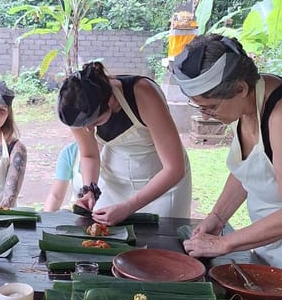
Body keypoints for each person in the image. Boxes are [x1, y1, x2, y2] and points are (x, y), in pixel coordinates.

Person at [173, 33, 282, 265]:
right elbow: (250, 169)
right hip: (267, 249)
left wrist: (224, 243)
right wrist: (217, 218)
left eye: (210, 107)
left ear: (241, 88)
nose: (204, 115)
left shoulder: (279, 116)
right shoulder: (246, 104)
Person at [56, 61, 192, 225]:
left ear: (111, 100)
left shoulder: (143, 93)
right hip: (115, 183)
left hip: (162, 183)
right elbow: (89, 155)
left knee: (160, 241)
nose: (88, 129)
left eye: (95, 121)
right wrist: (89, 189)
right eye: (83, 126)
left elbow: (174, 169)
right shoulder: (76, 109)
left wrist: (128, 207)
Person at [43, 141, 83, 211]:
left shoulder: (108, 151)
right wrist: (47, 217)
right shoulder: (71, 151)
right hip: (81, 215)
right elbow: (56, 195)